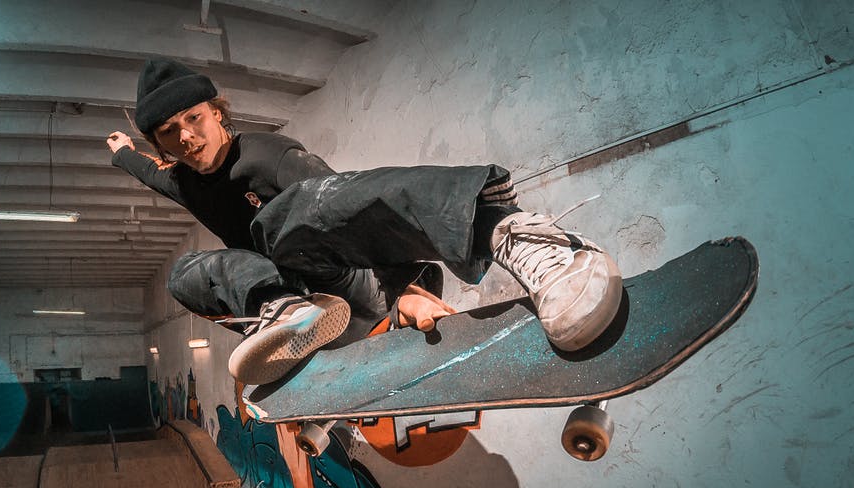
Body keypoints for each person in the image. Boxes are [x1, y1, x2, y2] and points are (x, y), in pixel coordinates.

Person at [107, 57, 622, 385]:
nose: (186, 139)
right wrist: (123, 152)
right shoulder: (182, 180)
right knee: (187, 272)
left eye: (193, 119)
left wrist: (401, 287)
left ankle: (514, 234)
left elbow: (347, 210)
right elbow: (148, 173)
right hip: (304, 300)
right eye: (170, 133)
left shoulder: (271, 156)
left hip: (355, 278)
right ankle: (279, 312)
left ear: (217, 113)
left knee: (295, 213)